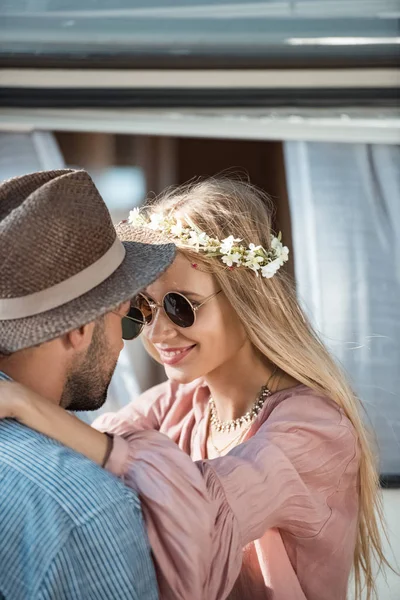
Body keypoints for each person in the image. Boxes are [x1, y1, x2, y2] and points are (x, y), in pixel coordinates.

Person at [0, 176, 388, 600]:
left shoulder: (315, 429)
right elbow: (93, 453)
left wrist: (26, 403)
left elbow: (203, 516)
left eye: (180, 306)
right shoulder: (178, 403)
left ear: (246, 300)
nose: (158, 332)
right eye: (143, 308)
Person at [0, 169, 243, 600]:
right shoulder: (87, 513)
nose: (151, 334)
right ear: (78, 330)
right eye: (132, 315)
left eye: (180, 308)